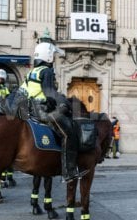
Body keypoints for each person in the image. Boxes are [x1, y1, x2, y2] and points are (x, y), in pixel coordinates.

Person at [21, 42, 88, 183]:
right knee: (68, 132)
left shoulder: (32, 72)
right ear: (49, 56)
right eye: (54, 56)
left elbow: (25, 92)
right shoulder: (46, 71)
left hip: (31, 109)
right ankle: (69, 172)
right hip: (44, 110)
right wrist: (60, 103)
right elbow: (49, 92)